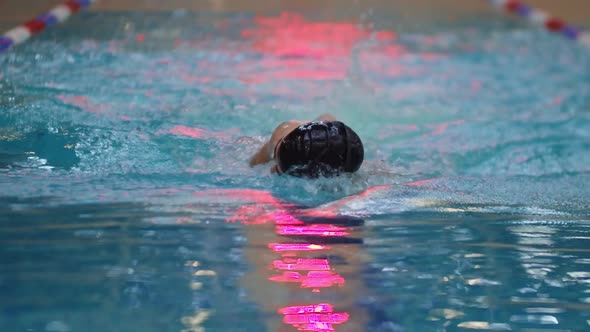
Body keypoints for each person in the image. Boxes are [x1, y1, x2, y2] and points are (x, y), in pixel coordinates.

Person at [249, 114, 364, 177]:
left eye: (279, 169)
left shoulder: (349, 169)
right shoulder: (280, 137)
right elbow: (252, 165)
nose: (273, 169)